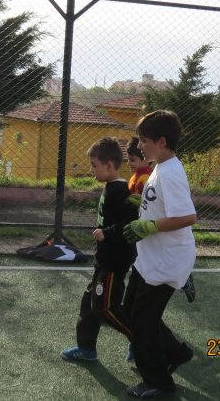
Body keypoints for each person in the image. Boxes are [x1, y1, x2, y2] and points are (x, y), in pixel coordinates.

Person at [122, 110, 196, 398]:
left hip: (166, 260)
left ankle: (157, 381)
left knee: (142, 322)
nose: (139, 146)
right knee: (133, 312)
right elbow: (164, 205)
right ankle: (176, 353)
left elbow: (187, 217)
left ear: (162, 142)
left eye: (144, 140)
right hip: (150, 257)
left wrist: (149, 225)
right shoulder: (160, 167)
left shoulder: (171, 173)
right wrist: (144, 205)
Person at [61, 137, 138, 362]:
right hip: (103, 260)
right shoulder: (110, 187)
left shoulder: (121, 191)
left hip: (114, 262)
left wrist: (108, 232)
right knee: (89, 305)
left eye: (94, 165)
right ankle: (86, 349)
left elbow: (130, 222)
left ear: (109, 165)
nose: (91, 170)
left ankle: (141, 338)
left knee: (106, 308)